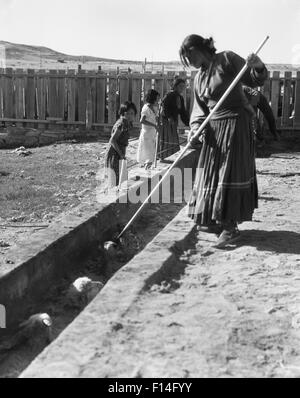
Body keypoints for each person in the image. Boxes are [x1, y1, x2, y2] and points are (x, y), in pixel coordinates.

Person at [180, 34, 268, 248]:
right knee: (210, 174)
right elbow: (199, 110)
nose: (187, 61)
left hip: (236, 124)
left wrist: (258, 66)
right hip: (213, 129)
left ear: (197, 49)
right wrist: (194, 130)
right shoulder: (198, 78)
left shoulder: (227, 59)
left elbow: (255, 79)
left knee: (229, 172)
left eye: (187, 55)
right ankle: (214, 219)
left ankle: (230, 227)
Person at [104, 101, 137, 188]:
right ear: (123, 113)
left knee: (121, 178)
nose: (131, 115)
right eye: (128, 113)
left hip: (120, 152)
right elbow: (113, 140)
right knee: (114, 179)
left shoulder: (127, 123)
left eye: (132, 113)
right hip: (114, 153)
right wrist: (121, 154)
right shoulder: (121, 124)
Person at [159, 77, 190, 160]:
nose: (182, 88)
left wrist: (189, 123)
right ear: (175, 86)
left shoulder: (180, 98)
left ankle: (168, 156)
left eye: (184, 86)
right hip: (166, 121)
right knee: (166, 137)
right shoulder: (169, 95)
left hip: (173, 121)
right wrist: (169, 117)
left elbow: (182, 112)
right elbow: (164, 105)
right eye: (180, 86)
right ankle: (162, 156)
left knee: (172, 138)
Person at [137, 89, 160, 169]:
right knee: (148, 153)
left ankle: (148, 167)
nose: (158, 99)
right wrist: (154, 125)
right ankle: (147, 169)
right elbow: (142, 120)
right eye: (157, 97)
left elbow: (155, 118)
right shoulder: (146, 108)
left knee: (151, 152)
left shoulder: (154, 107)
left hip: (152, 133)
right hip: (147, 133)